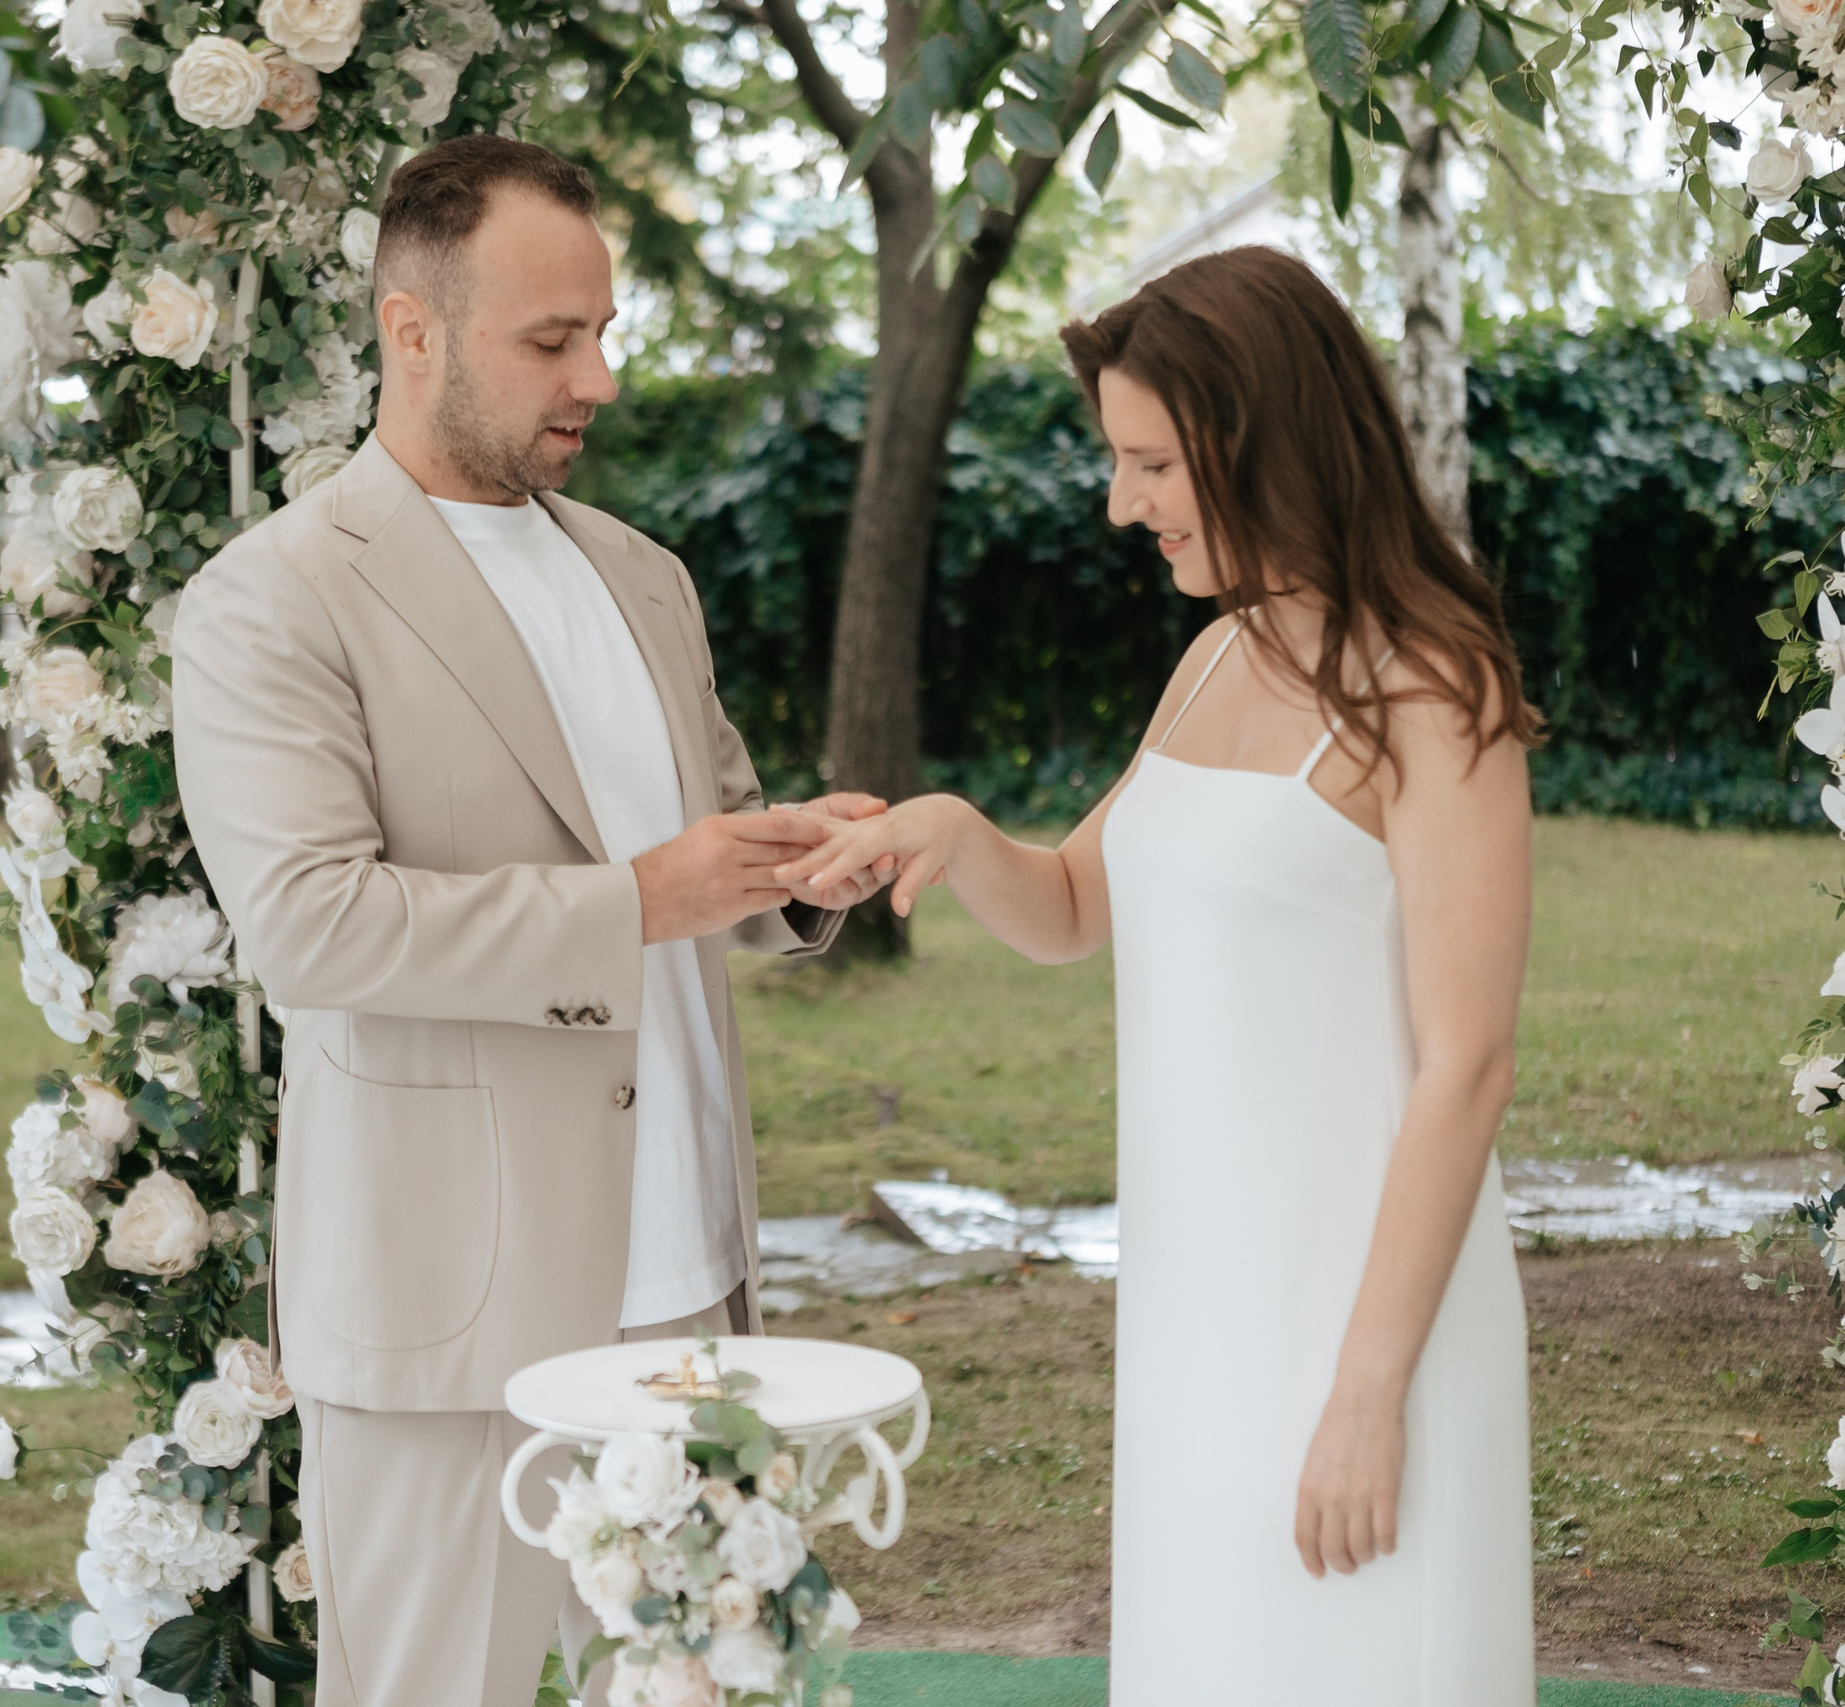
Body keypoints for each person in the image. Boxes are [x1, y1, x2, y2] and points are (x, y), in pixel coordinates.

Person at [169, 136, 886, 1707]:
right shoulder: (269, 600)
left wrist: (798, 867)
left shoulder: (645, 577)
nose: (600, 380)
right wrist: (640, 901)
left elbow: (708, 847)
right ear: (410, 333)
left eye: (605, 332)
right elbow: (312, 930)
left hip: (690, 1277)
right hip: (454, 1305)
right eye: (552, 342)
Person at [779, 245, 1538, 1702]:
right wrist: (951, 830)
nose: (1121, 503)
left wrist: (1370, 1394)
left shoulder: (1444, 694)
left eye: (1149, 463)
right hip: (1200, 1298)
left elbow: (1469, 1067)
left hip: (1364, 1316)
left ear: (1263, 441)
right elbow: (1074, 902)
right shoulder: (1217, 659)